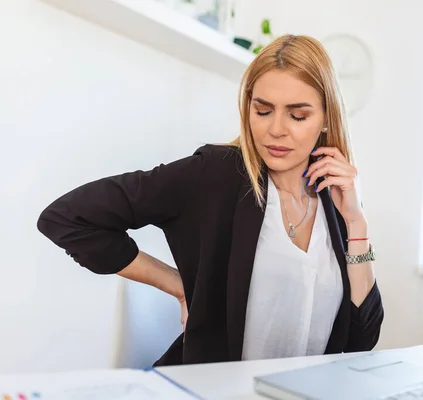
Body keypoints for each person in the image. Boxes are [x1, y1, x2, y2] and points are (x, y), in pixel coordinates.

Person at [37, 34, 384, 366]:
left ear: (326, 119)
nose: (276, 129)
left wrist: (357, 222)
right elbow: (68, 218)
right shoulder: (216, 173)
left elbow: (361, 339)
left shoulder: (333, 195)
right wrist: (181, 286)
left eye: (298, 115)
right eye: (262, 111)